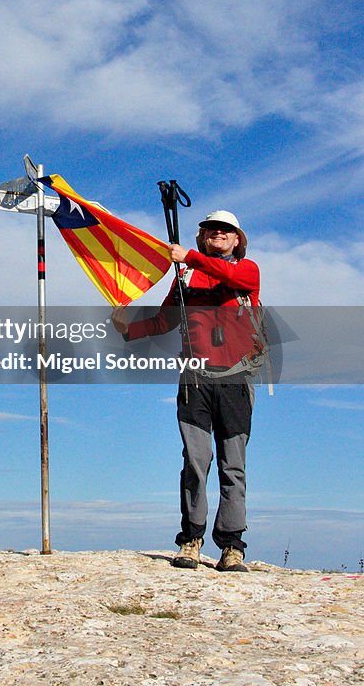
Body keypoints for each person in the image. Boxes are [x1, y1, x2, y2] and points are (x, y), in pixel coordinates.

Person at [112, 210, 261, 573]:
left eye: (226, 230)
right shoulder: (186, 278)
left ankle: (231, 546)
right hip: (195, 378)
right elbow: (166, 320)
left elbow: (229, 275)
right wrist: (129, 330)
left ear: (237, 239)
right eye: (212, 229)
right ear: (203, 235)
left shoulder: (247, 270)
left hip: (237, 378)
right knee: (195, 461)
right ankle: (191, 540)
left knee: (233, 465)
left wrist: (187, 258)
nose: (219, 234)